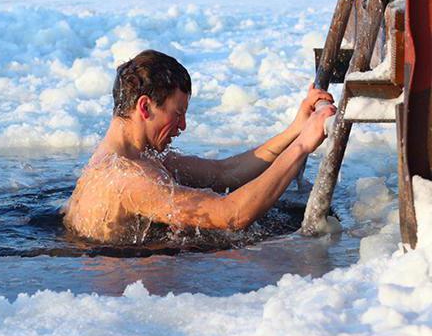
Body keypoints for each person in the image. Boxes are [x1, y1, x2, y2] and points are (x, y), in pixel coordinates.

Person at [64, 49, 335, 244]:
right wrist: (301, 147)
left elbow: (224, 172)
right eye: (177, 113)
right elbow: (231, 215)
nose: (182, 126)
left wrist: (296, 129)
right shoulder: (129, 178)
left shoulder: (135, 157)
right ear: (145, 107)